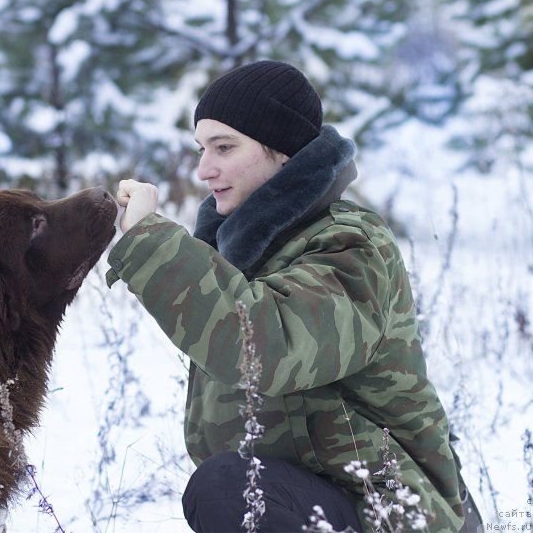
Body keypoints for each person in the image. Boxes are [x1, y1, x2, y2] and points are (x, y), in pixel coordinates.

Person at [105, 60, 468, 532]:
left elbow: (264, 346)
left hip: (389, 511)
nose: (203, 169)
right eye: (201, 149)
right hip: (321, 499)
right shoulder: (247, 252)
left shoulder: (350, 245)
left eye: (224, 147)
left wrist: (153, 244)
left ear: (283, 151)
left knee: (227, 489)